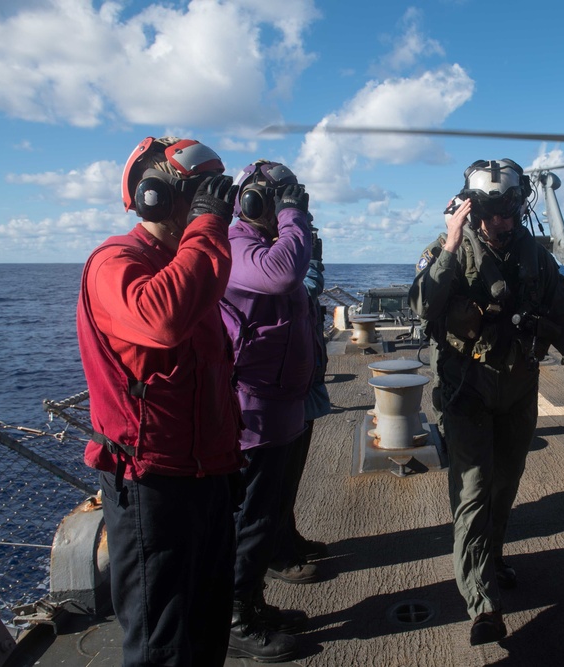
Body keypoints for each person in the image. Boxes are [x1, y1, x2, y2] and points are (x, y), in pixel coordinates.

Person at [409, 159, 564, 646]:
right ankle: (483, 604)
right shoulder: (448, 249)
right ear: (472, 208)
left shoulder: (534, 255)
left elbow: (562, 311)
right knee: (472, 493)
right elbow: (423, 304)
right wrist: (450, 244)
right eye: (492, 209)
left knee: (503, 488)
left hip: (517, 391)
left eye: (511, 207)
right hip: (465, 390)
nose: (502, 219)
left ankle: (489, 562)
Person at [77, 136, 243, 666]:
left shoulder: (188, 265)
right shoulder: (115, 262)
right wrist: (208, 227)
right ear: (155, 196)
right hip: (152, 485)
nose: (208, 211)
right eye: (197, 198)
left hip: (205, 476)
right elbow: (161, 318)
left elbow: (211, 371)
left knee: (208, 624)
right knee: (162, 644)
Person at [220, 160, 318, 662]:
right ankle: (236, 617)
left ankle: (253, 603)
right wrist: (293, 215)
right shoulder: (237, 244)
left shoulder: (264, 246)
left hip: (282, 405)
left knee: (269, 515)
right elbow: (282, 276)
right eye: (275, 199)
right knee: (252, 520)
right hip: (254, 414)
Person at [269, 222, 332, 574]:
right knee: (274, 483)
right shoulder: (267, 267)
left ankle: (289, 537)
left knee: (291, 476)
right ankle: (277, 554)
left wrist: (311, 260)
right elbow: (301, 289)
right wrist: (310, 262)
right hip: (280, 395)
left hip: (301, 388)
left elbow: (307, 292)